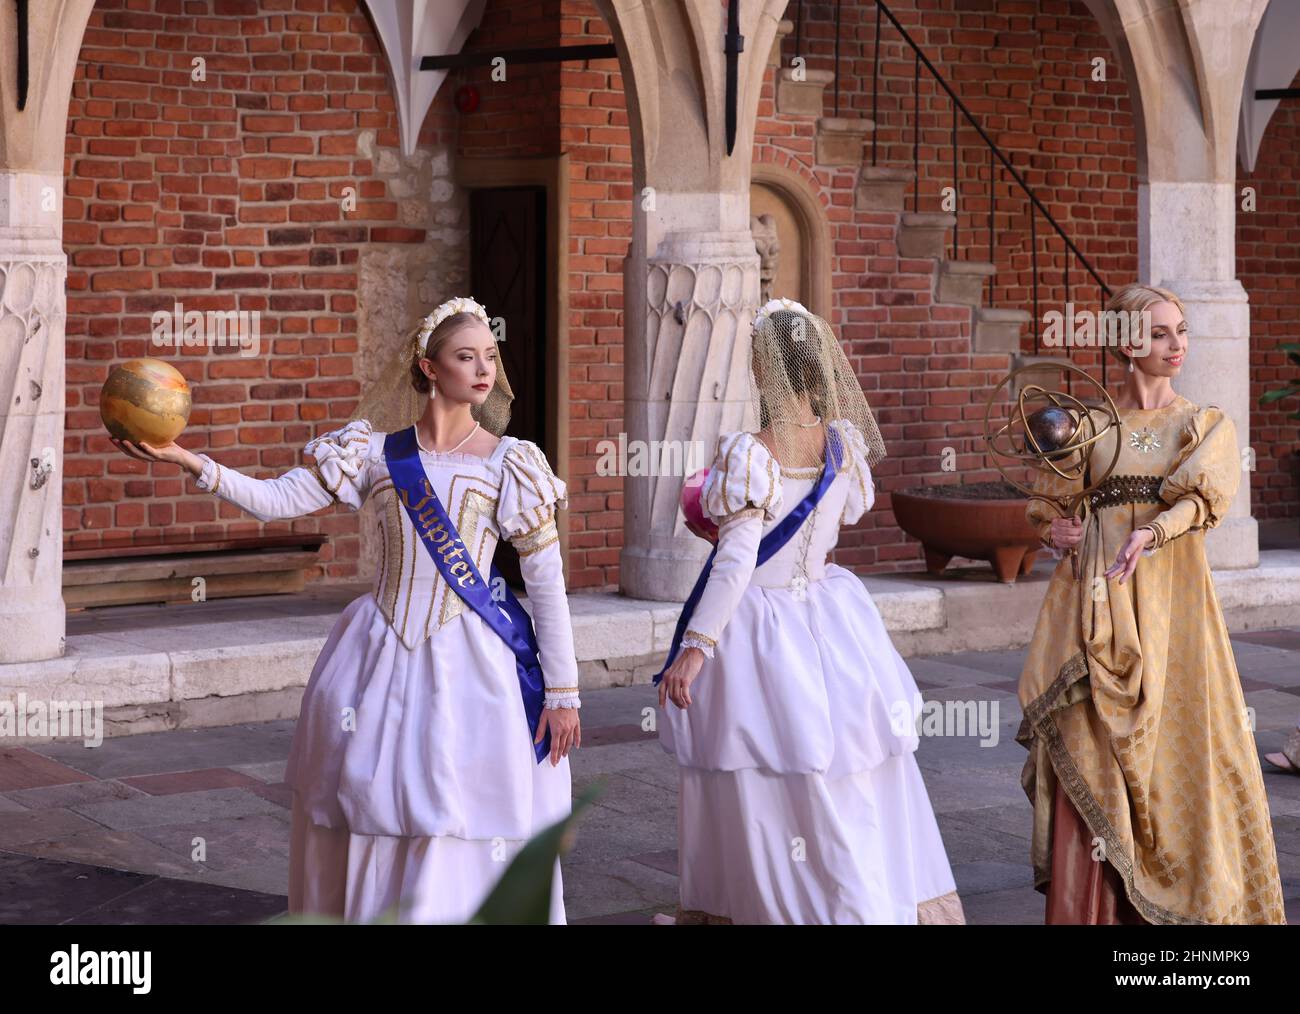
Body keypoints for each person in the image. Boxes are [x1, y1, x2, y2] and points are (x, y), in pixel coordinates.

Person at [112, 296, 581, 924]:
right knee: (368, 802)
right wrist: (191, 462)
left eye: (489, 357)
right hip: (377, 653)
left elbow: (546, 584)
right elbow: (277, 500)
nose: (484, 370)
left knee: (464, 804)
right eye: (465, 356)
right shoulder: (372, 453)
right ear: (428, 366)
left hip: (474, 660)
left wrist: (564, 692)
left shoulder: (510, 463)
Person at [655, 298, 964, 924]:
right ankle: (869, 899)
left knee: (765, 770)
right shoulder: (843, 444)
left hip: (761, 627)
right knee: (846, 769)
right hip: (830, 615)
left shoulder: (750, 453)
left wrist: (694, 650)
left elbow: (737, 564)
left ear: (765, 370)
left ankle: (783, 907)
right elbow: (846, 515)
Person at [1017, 283, 1286, 925]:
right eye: (1161, 333)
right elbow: (1050, 507)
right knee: (1091, 738)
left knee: (1182, 741)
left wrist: (1151, 531)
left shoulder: (1201, 424)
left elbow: (1201, 501)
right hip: (1095, 608)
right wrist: (1057, 530)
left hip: (1172, 606)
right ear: (1125, 342)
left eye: (1182, 331)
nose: (1177, 345)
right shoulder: (1087, 427)